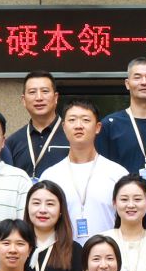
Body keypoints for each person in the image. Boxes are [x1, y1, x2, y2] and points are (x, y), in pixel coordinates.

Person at [39, 99, 125, 241]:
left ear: (97, 127)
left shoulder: (118, 174)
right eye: (72, 120)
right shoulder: (50, 176)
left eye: (85, 120)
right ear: (64, 127)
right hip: (62, 252)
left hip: (108, 253)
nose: (78, 126)